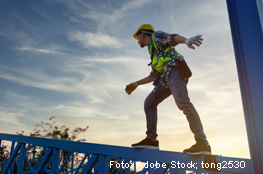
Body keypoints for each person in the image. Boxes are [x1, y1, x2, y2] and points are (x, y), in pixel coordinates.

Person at [125, 24, 211, 155]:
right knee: (149, 103)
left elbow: (172, 38)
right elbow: (153, 76)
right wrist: (136, 83)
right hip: (165, 79)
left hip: (175, 71)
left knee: (183, 103)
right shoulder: (153, 53)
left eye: (137, 36)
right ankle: (151, 140)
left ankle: (202, 143)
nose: (137, 40)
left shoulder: (156, 36)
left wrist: (186, 40)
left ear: (143, 34)